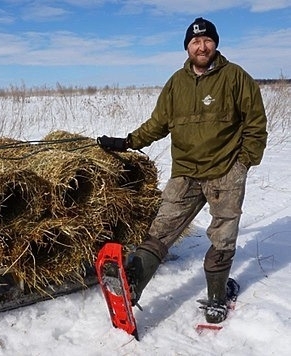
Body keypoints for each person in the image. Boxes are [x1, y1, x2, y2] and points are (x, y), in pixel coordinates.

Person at [97, 17, 267, 324]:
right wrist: (128, 141)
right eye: (195, 42)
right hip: (185, 173)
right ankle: (131, 284)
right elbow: (158, 123)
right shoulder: (176, 82)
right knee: (161, 230)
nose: (202, 47)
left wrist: (243, 164)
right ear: (187, 47)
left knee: (223, 237)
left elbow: (256, 126)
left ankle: (216, 298)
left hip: (225, 172)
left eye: (207, 41)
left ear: (215, 43)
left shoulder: (236, 77)